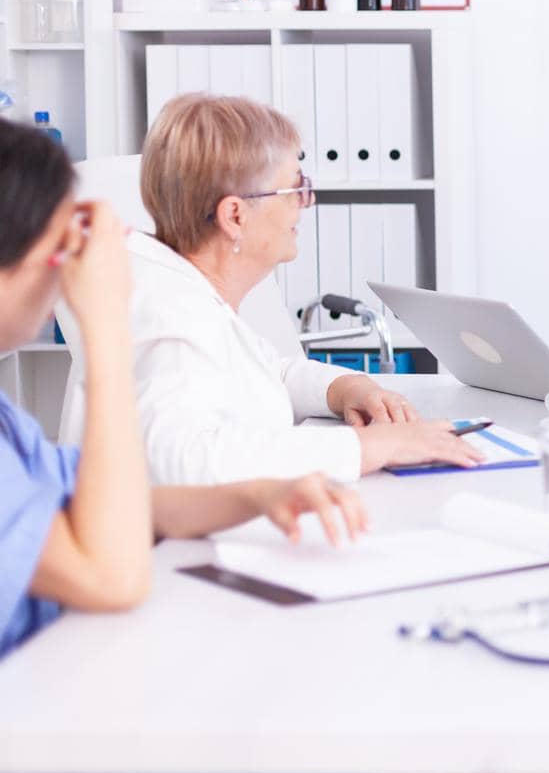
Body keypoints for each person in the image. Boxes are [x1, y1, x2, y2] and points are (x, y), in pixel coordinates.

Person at [0, 117, 366, 661]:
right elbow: (111, 577)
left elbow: (124, 506)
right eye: (59, 249)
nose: (68, 272)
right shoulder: (164, 312)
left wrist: (259, 495)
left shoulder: (8, 424)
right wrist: (105, 327)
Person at [60, 94, 481, 484]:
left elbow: (267, 371)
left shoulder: (186, 289)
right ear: (235, 216)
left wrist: (348, 389)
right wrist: (367, 447)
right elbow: (185, 458)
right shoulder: (168, 317)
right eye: (294, 188)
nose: (306, 202)